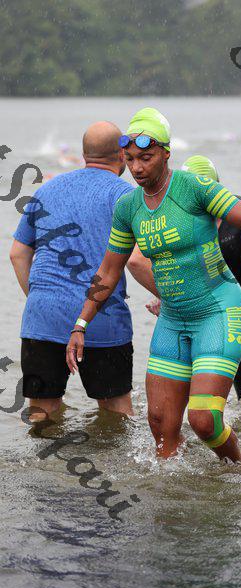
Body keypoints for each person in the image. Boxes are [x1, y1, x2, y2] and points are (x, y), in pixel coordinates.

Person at [66, 107, 241, 463]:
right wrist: (80, 324)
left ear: (166, 153)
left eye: (146, 158)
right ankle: (170, 489)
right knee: (160, 425)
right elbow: (108, 271)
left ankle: (238, 470)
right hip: (173, 319)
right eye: (130, 160)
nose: (137, 168)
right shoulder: (128, 207)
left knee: (204, 420)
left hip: (216, 310)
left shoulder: (192, 187)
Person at [131, 154, 241, 398]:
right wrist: (169, 297)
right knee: (186, 403)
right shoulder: (171, 217)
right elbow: (136, 261)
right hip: (196, 317)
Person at [10, 121, 135, 421]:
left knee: (42, 415)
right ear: (122, 155)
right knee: (117, 416)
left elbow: (17, 254)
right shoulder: (126, 196)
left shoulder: (46, 190)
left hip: (43, 319)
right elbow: (138, 262)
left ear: (84, 154)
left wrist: (41, 298)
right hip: (103, 320)